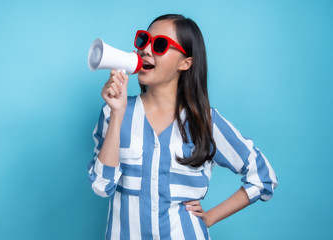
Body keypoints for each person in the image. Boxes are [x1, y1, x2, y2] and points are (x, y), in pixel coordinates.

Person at [87, 14, 278, 240]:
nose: (146, 50)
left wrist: (211, 217)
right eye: (143, 40)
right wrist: (118, 113)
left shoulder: (204, 121)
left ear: (185, 62)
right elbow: (102, 185)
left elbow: (263, 177)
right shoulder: (112, 112)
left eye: (159, 45)